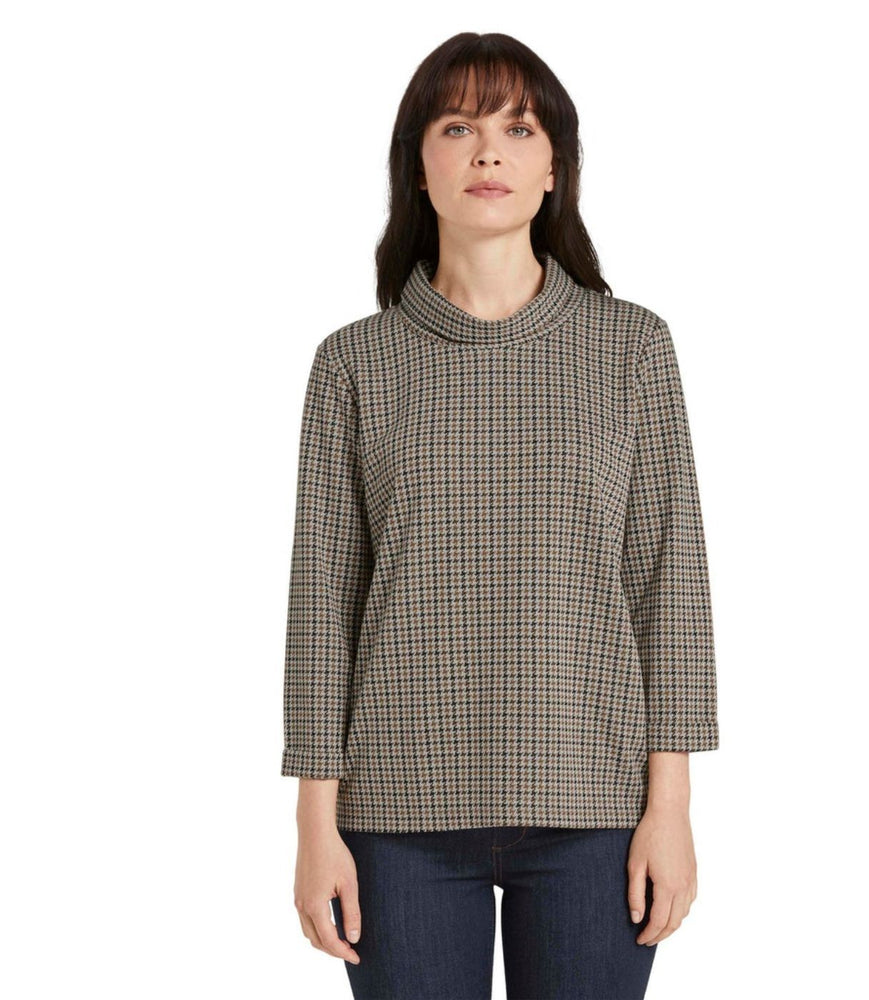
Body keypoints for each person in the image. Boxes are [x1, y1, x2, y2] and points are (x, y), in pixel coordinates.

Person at [281, 31, 720, 1000]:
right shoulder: (353, 363)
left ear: (555, 166)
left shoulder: (632, 350)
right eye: (458, 127)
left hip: (594, 806)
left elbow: (670, 586)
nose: (489, 152)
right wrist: (315, 826)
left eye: (518, 129)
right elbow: (322, 605)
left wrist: (672, 806)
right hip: (395, 813)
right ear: (418, 166)